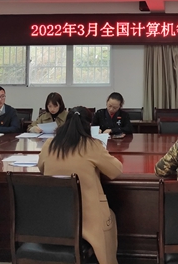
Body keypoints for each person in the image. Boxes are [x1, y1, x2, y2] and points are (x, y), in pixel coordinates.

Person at [38, 106, 122, 264]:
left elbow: (41, 167)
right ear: (89, 125)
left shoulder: (50, 144)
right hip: (87, 220)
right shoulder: (92, 145)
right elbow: (116, 170)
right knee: (110, 215)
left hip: (52, 217)